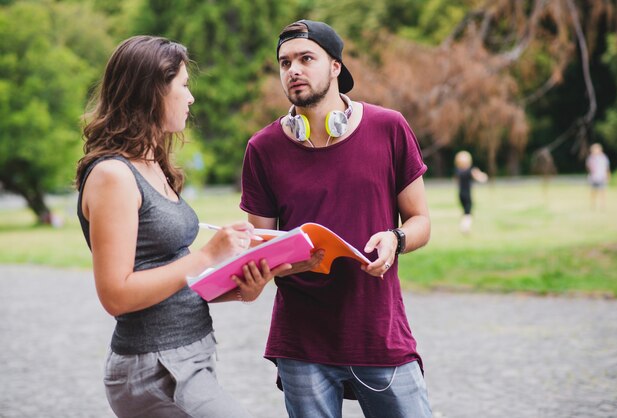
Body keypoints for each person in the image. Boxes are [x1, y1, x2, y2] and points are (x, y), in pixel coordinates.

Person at [75, 35, 291, 418]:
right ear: (153, 90)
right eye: (184, 86)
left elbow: (167, 276)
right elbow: (116, 295)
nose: (191, 98)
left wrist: (239, 287)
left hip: (189, 356)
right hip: (154, 367)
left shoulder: (152, 163)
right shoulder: (113, 175)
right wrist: (208, 254)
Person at [240, 20, 433, 418]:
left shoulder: (389, 127)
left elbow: (421, 221)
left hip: (379, 333)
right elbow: (259, 248)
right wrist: (285, 261)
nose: (292, 70)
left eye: (305, 58)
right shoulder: (262, 148)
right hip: (301, 343)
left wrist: (395, 238)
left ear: (336, 67)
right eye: (284, 62)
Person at [454, 150, 488, 233]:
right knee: (468, 212)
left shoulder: (458, 171)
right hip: (467, 194)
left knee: (465, 211)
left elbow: (456, 181)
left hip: (460, 194)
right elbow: (481, 178)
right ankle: (465, 227)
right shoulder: (470, 170)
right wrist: (484, 177)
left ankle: (464, 225)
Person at [585, 143, 610, 210]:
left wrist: (608, 176)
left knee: (602, 191)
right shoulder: (591, 158)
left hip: (602, 176)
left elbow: (607, 168)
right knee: (593, 192)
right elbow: (588, 167)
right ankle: (593, 205)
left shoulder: (603, 158)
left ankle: (602, 205)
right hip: (594, 177)